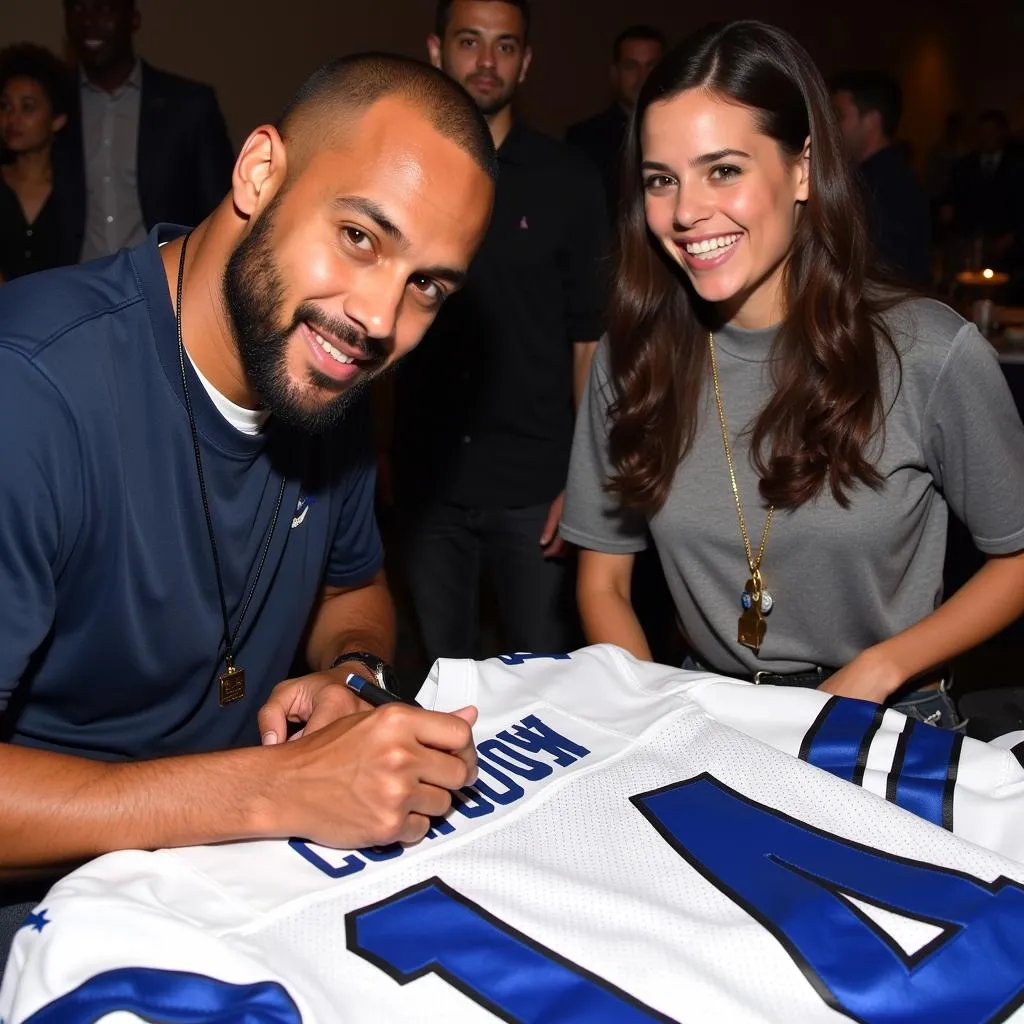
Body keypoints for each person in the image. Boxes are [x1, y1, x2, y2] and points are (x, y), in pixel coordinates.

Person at [0, 53, 495, 967]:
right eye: (360, 236)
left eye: (427, 284)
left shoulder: (322, 376)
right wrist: (277, 788)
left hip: (251, 880)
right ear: (261, 172)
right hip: (54, 908)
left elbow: (357, 591)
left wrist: (350, 677)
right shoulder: (30, 386)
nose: (381, 317)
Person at [561, 21, 1024, 729]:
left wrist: (882, 667)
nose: (686, 212)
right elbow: (604, 582)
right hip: (705, 714)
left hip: (887, 718)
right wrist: (659, 720)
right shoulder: (632, 359)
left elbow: (1017, 558)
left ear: (802, 168)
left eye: (724, 170)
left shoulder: (929, 352)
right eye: (662, 179)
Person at [389, 0, 608, 665]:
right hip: (429, 480)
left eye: (505, 46)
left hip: (535, 487)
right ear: (436, 50)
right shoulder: (400, 172)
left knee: (546, 674)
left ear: (526, 61)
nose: (487, 62)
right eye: (470, 42)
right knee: (438, 673)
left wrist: (586, 479)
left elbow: (588, 341)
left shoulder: (569, 180)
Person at [53, 0, 235, 262]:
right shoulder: (51, 106)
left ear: (134, 20)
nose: (89, 21)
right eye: (78, 9)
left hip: (166, 285)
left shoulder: (188, 105)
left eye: (104, 8)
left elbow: (220, 210)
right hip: (75, 288)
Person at [831, 70, 931, 286]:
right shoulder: (868, 176)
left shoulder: (888, 186)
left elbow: (884, 271)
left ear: (871, 121)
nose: (831, 127)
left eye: (839, 116)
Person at [566, 24, 666, 220]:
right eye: (631, 66)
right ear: (615, 73)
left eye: (651, 66)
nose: (642, 77)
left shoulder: (685, 133)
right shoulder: (583, 139)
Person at [0, 44, 72, 282]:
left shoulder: (76, 191)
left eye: (27, 107)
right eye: (5, 106)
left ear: (57, 120)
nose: (11, 118)